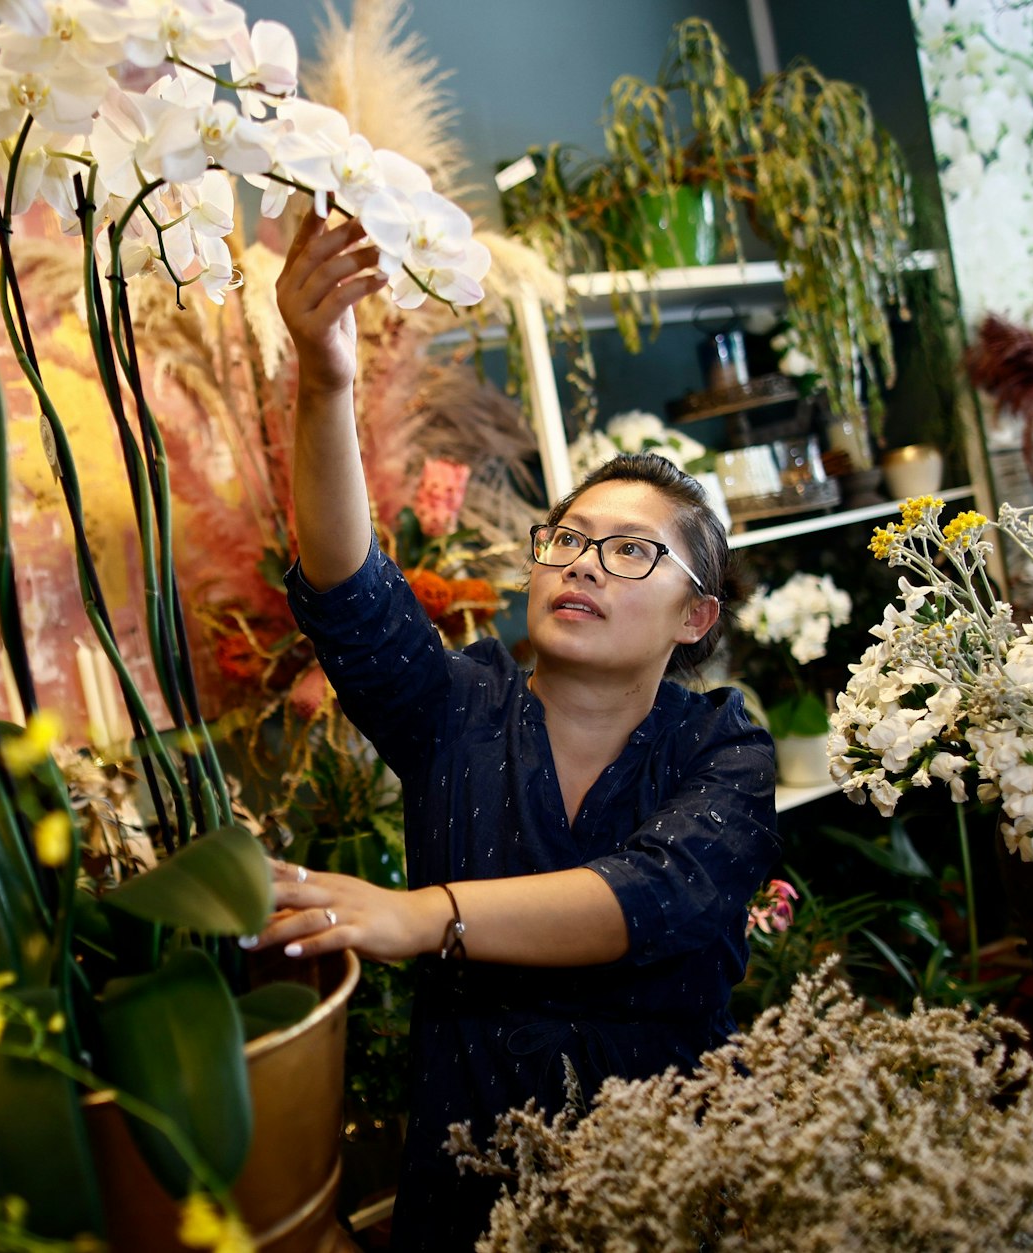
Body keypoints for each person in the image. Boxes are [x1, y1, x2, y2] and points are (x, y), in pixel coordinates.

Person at [254, 210, 781, 1250]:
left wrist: (421, 914)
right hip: (471, 1185)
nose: (581, 561)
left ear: (694, 617)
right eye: (567, 539)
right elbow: (349, 592)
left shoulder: (720, 747)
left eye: (629, 552)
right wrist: (325, 382)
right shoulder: (456, 708)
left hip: (672, 1182)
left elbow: (652, 893)